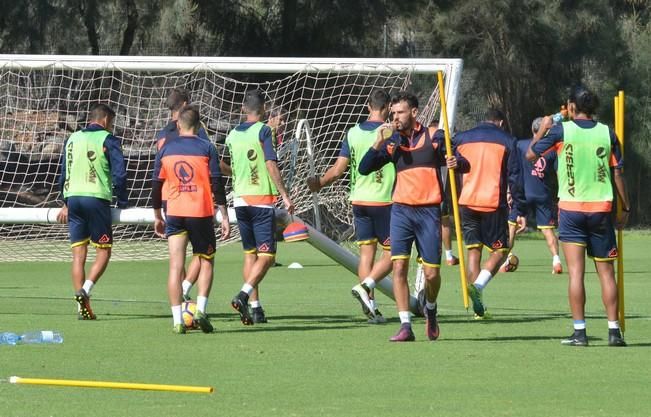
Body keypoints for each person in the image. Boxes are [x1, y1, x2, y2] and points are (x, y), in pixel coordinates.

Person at [359, 91, 468, 342]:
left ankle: (430, 307)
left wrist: (455, 162)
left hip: (429, 212)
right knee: (399, 266)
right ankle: (405, 325)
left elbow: (463, 162)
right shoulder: (391, 142)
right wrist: (377, 143)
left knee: (431, 274)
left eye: (400, 112)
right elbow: (364, 168)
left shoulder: (435, 137)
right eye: (393, 113)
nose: (395, 117)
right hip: (401, 211)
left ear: (415, 112)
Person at [527, 85, 629, 347]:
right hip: (601, 210)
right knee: (606, 273)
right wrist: (625, 208)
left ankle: (580, 333)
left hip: (571, 210)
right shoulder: (607, 132)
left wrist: (543, 129)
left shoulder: (562, 130)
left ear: (571, 106)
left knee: (576, 274)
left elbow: (531, 154)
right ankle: (614, 331)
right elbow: (617, 173)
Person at [307, 88, 395, 324]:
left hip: (358, 201)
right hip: (384, 200)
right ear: (387, 108)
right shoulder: (389, 132)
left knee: (366, 255)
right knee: (395, 253)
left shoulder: (353, 132)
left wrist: (320, 183)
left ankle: (372, 308)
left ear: (368, 106)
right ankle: (366, 287)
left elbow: (338, 170)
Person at [152, 105, 230, 334]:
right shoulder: (207, 147)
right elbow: (217, 182)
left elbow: (156, 185)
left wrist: (157, 214)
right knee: (206, 260)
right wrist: (224, 215)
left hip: (174, 212)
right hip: (200, 213)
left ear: (178, 125)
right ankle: (200, 310)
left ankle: (177, 320)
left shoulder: (166, 149)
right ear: (198, 126)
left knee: (175, 266)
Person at [224, 89, 294, 326]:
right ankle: (243, 295)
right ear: (263, 110)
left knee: (250, 254)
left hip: (240, 200)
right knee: (267, 256)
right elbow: (270, 163)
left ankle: (255, 307)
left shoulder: (232, 134)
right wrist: (284, 194)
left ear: (244, 109)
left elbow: (230, 164)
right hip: (261, 200)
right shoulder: (264, 130)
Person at [56, 103, 128, 320]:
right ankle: (85, 290)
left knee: (78, 255)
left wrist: (65, 202)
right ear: (106, 120)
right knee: (104, 251)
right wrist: (123, 201)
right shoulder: (108, 139)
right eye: (112, 123)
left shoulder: (72, 138)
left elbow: (64, 172)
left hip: (74, 199)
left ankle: (82, 308)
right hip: (96, 199)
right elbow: (120, 174)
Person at [454, 109, 526, 319]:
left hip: (466, 202)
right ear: (501, 123)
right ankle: (478, 285)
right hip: (493, 203)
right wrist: (519, 210)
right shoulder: (507, 140)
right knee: (500, 251)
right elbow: (515, 178)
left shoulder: (462, 138)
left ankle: (478, 310)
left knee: (473, 253)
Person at [155, 88, 211, 302]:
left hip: (170, 200)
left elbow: (157, 173)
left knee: (176, 259)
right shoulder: (197, 129)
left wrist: (157, 209)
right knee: (203, 253)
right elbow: (206, 156)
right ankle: (186, 289)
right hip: (194, 199)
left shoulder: (162, 135)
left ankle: (180, 302)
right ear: (186, 103)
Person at [502, 117, 562, 274]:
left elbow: (512, 170)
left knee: (512, 227)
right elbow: (558, 173)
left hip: (522, 194)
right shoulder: (552, 149)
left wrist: (509, 190)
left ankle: (505, 259)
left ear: (532, 129)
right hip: (542, 194)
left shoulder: (520, 145)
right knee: (548, 230)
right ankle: (556, 260)